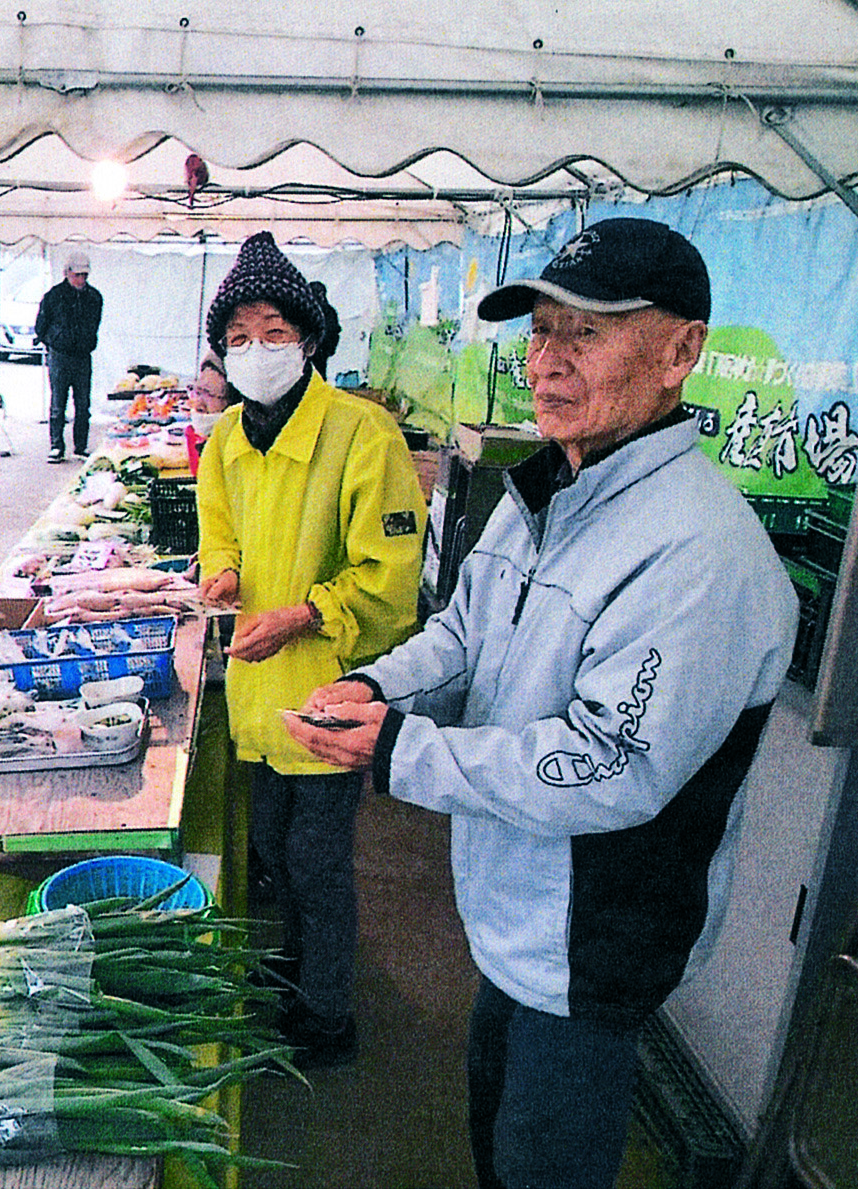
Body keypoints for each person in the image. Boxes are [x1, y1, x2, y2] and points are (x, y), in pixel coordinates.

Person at [282, 218, 799, 1189]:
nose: (548, 364)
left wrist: (398, 751)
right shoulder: (548, 494)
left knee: (540, 1164)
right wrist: (376, 684)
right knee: (497, 1145)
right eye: (540, 333)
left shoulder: (697, 554)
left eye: (587, 335)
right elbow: (466, 633)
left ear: (680, 351)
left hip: (592, 943)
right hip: (516, 919)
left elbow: (608, 767)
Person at [194, 230, 427, 1067]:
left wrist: (304, 612)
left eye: (273, 331)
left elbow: (391, 576)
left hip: (329, 690)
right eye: (238, 338)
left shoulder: (362, 435)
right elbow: (215, 532)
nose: (255, 351)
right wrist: (220, 576)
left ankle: (328, 1018)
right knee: (270, 854)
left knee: (317, 862)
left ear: (309, 337)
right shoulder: (223, 438)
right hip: (254, 691)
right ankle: (296, 974)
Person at [34, 250, 103, 462]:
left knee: (83, 404)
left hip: (82, 356)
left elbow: (95, 325)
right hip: (60, 356)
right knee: (58, 402)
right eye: (77, 275)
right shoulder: (53, 296)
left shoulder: (94, 297)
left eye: (84, 275)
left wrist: (86, 342)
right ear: (67, 273)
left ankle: (80, 446)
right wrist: (54, 341)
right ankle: (56, 446)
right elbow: (40, 326)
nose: (81, 279)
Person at [306, 279, 342, 378]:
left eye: (321, 293)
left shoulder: (329, 312)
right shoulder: (305, 310)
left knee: (319, 373)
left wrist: (330, 348)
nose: (319, 296)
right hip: (307, 351)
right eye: (316, 292)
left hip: (322, 350)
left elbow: (335, 331)